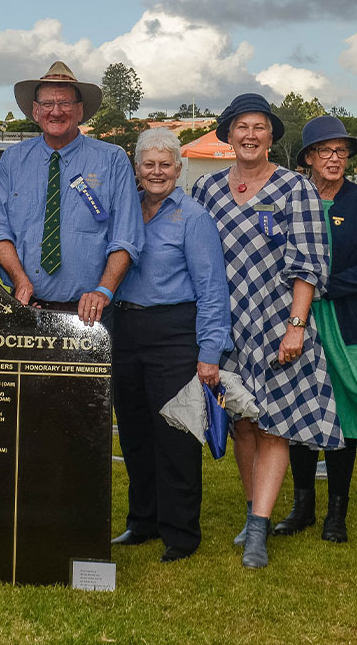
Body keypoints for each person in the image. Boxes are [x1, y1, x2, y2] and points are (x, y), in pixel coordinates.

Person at [191, 93, 341, 569]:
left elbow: (310, 264)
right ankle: (254, 509)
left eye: (259, 127)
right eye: (241, 127)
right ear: (228, 135)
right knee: (243, 423)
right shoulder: (208, 190)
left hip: (279, 322)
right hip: (225, 324)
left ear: (272, 137)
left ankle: (258, 528)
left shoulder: (296, 188)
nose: (250, 135)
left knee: (274, 422)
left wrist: (297, 326)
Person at [110, 129, 232, 563]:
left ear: (178, 170)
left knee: (175, 435)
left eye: (165, 165)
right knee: (135, 431)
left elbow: (212, 290)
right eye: (149, 164)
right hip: (123, 330)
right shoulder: (124, 212)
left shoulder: (194, 217)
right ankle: (141, 521)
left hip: (175, 334)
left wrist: (209, 352)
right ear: (137, 168)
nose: (157, 172)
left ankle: (181, 533)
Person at [272, 116, 357, 544]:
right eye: (325, 151)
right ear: (307, 157)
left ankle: (336, 513)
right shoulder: (287, 199)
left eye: (342, 152)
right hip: (293, 320)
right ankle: (302, 505)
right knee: (300, 408)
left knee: (344, 412)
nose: (335, 159)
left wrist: (325, 287)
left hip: (346, 320)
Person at [0, 61, 142, 326]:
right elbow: (0, 232)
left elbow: (125, 238)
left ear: (80, 111)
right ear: (35, 111)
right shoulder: (13, 159)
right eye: (47, 104)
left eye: (65, 103)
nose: (55, 112)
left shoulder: (112, 160)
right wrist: (20, 280)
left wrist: (102, 292)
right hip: (26, 308)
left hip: (91, 316)